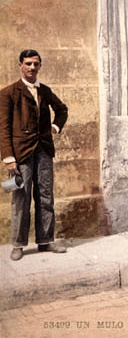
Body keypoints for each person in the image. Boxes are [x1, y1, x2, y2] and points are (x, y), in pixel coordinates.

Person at [0, 49, 68, 261]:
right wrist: (9, 158)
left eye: (36, 64)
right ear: (20, 65)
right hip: (20, 155)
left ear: (40, 66)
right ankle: (18, 244)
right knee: (21, 198)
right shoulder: (9, 93)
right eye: (28, 63)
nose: (32, 68)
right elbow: (3, 129)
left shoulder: (44, 90)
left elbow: (62, 109)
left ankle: (45, 241)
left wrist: (55, 127)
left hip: (44, 151)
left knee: (46, 196)